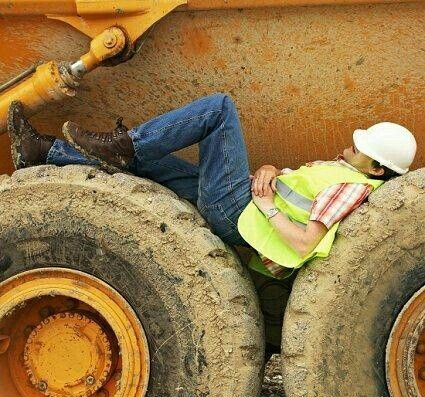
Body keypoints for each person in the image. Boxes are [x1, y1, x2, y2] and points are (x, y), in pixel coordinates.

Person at [6, 94, 417, 279]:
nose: (349, 146)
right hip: (242, 206)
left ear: (378, 170)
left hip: (239, 212)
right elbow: (296, 187)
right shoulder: (348, 177)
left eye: (360, 148)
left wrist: (268, 205)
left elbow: (305, 244)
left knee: (219, 109)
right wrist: (270, 170)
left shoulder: (354, 187)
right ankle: (44, 151)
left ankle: (123, 146)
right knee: (155, 166)